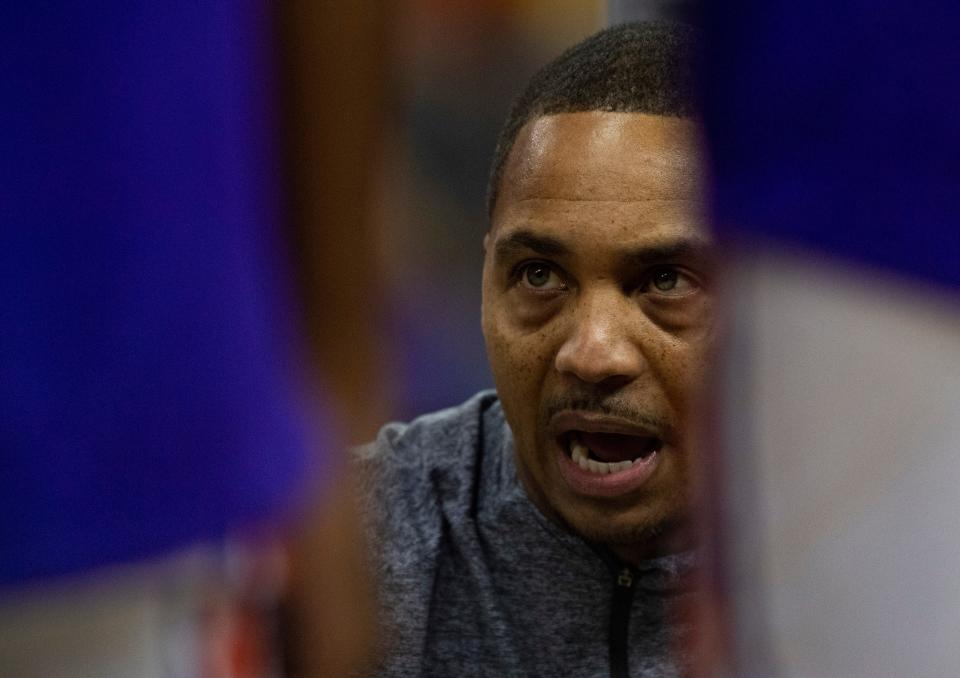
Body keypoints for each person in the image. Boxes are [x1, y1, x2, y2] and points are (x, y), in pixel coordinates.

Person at [359, 21, 712, 678]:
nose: (592, 354)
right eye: (540, 276)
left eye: (666, 281)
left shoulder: (890, 559)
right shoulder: (360, 552)